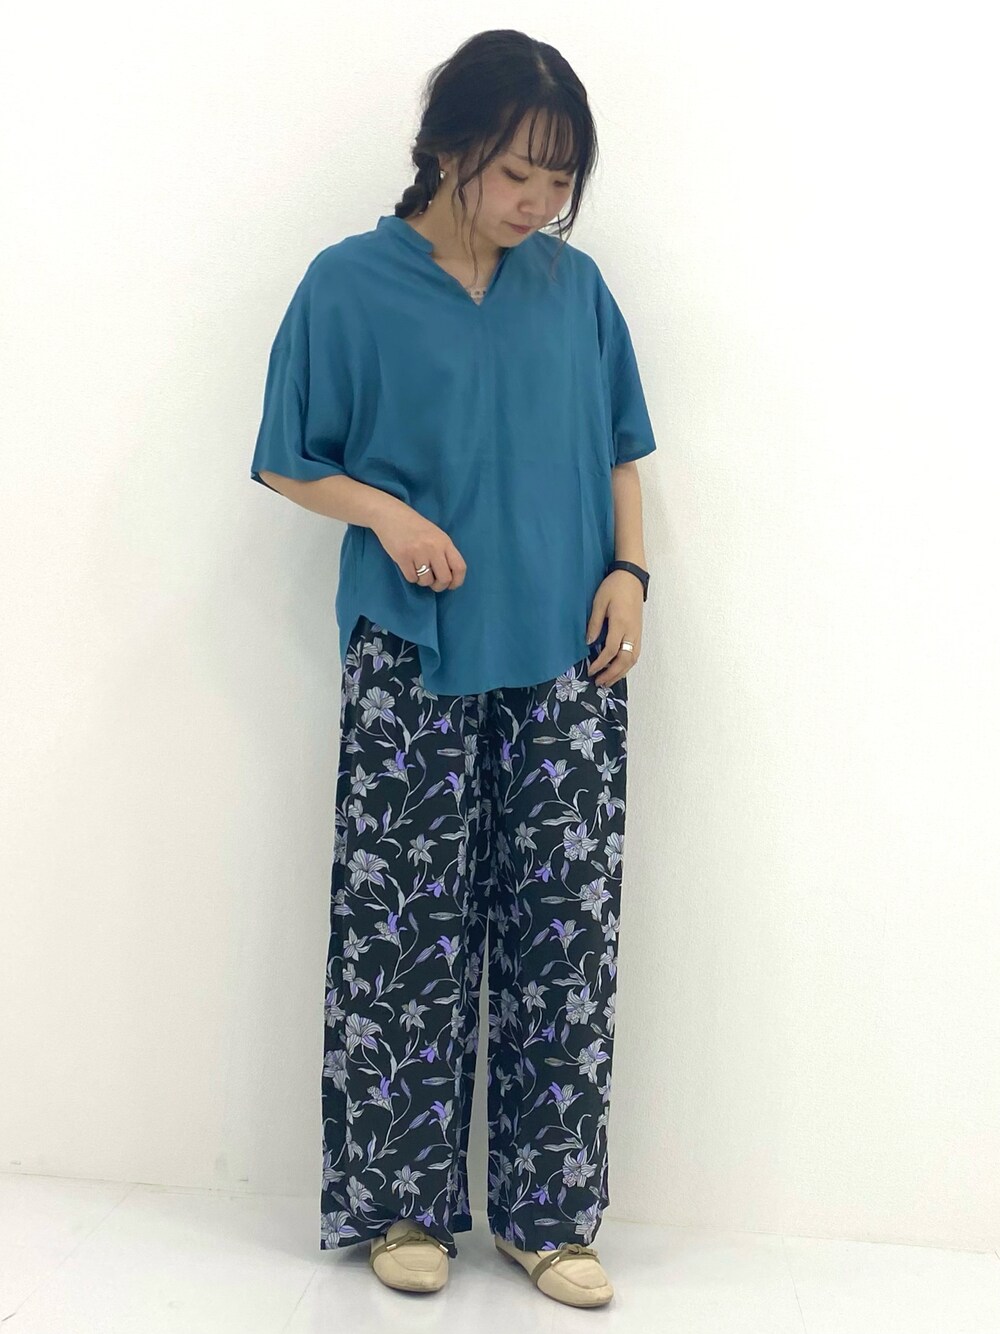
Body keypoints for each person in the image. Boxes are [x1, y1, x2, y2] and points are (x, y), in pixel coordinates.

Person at [249, 29, 657, 1309]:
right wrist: (385, 512)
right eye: (518, 173)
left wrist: (630, 570)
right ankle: (404, 1204)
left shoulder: (574, 290)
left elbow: (621, 445)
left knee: (561, 937)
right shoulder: (349, 284)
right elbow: (287, 456)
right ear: (448, 148)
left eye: (559, 181)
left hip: (565, 654)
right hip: (412, 653)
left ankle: (548, 1213)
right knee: (404, 932)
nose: (538, 203)